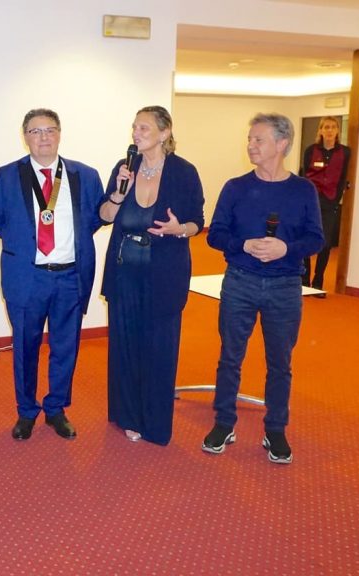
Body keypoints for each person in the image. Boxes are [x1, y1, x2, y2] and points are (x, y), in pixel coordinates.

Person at [203, 113, 323, 464]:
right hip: (239, 281)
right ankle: (224, 423)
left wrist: (287, 248)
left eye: (259, 139)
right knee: (230, 357)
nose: (251, 145)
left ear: (282, 144)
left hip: (285, 286)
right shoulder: (235, 187)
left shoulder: (303, 190)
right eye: (250, 139)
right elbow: (215, 234)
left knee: (280, 362)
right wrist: (243, 244)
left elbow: (316, 238)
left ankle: (276, 429)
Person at [0, 109, 103, 441]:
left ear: (60, 134)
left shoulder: (85, 175)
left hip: (70, 277)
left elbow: (95, 219)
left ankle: (56, 409)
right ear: (25, 137)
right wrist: (25, 244)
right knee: (26, 346)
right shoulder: (8, 175)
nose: (44, 137)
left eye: (50, 130)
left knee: (66, 346)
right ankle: (26, 411)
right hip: (28, 277)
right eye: (35, 131)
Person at [99, 106, 205, 445]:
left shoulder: (183, 172)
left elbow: (197, 221)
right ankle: (127, 415)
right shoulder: (124, 167)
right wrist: (118, 192)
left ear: (164, 132)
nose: (136, 132)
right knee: (126, 345)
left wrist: (179, 229)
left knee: (159, 348)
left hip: (164, 273)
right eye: (134, 127)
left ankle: (155, 422)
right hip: (124, 271)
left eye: (144, 127)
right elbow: (105, 215)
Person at [300, 116, 351, 296]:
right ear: (320, 130)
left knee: (325, 242)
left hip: (330, 202)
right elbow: (304, 175)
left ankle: (318, 282)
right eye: (326, 127)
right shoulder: (311, 150)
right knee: (306, 238)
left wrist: (338, 196)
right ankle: (304, 280)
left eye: (333, 127)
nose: (329, 131)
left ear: (337, 131)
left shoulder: (345, 153)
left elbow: (344, 176)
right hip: (310, 201)